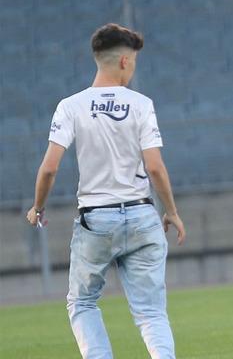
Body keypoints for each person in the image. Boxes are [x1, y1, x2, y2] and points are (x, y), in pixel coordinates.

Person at [25, 23, 186, 359]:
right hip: (142, 214)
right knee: (151, 312)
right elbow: (155, 166)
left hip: (96, 220)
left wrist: (38, 207)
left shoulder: (71, 106)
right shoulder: (141, 104)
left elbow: (50, 166)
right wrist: (170, 211)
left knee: (82, 302)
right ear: (125, 61)